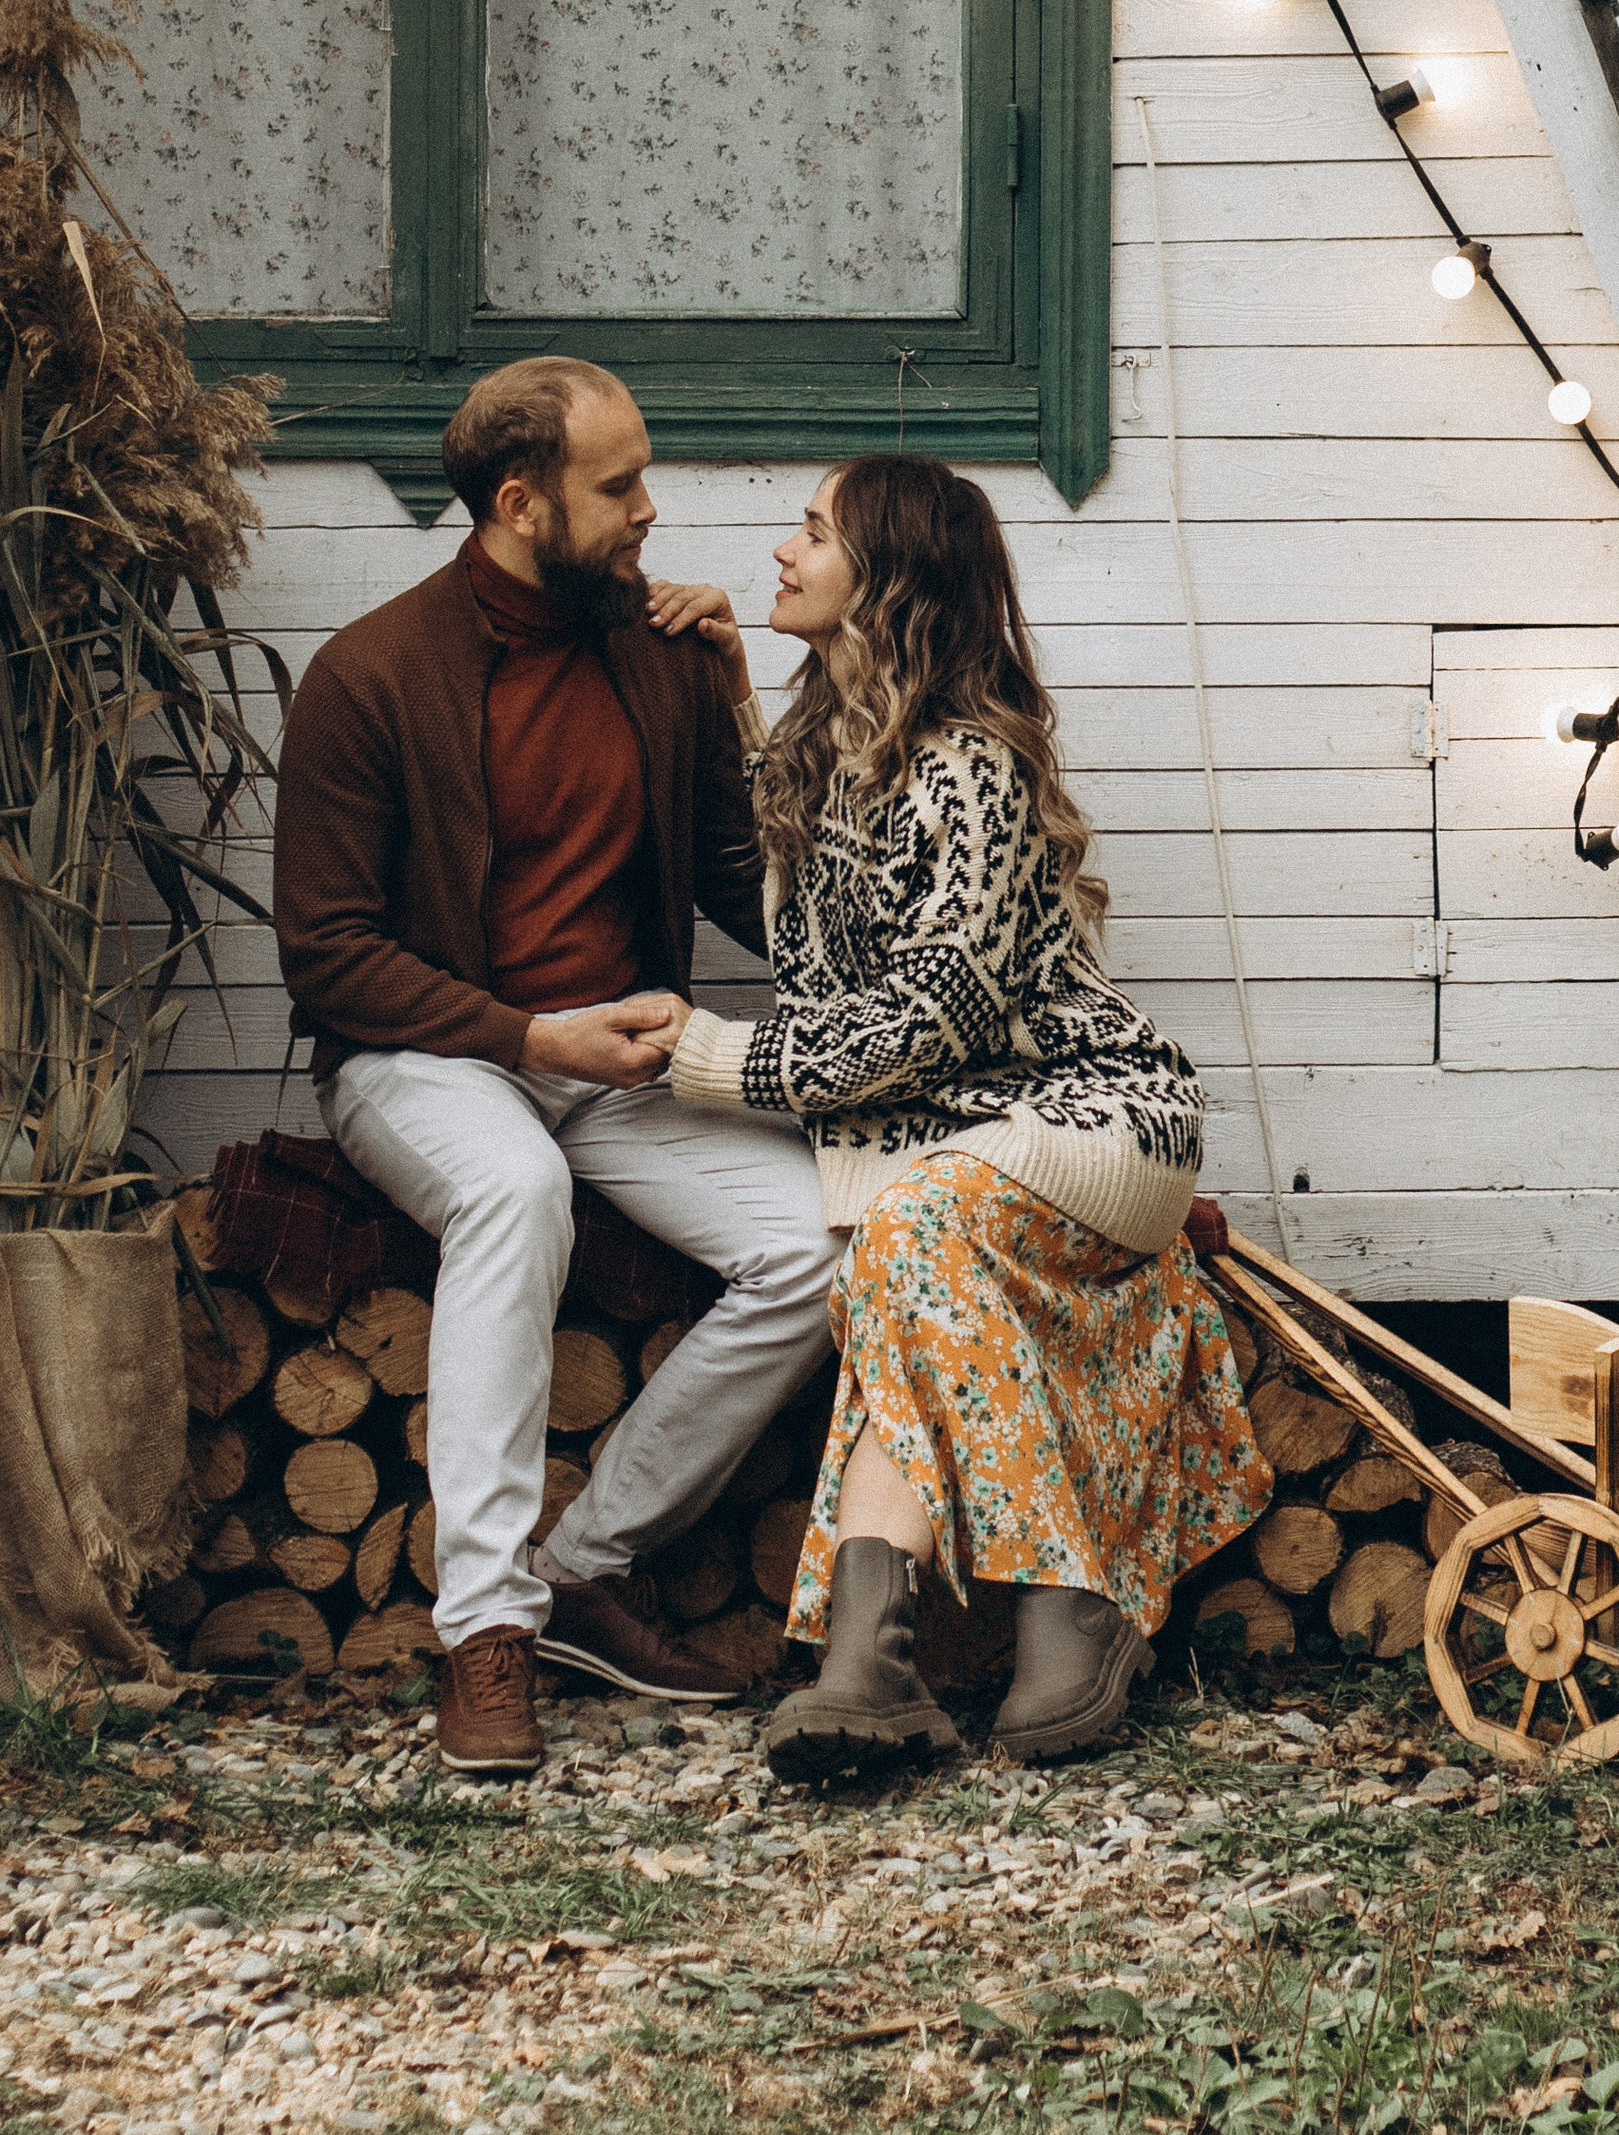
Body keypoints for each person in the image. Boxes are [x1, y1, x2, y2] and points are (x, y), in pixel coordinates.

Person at [644, 456, 1272, 1781]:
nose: (781, 551)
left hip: (1094, 1118)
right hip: (949, 1144)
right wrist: (734, 686)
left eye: (814, 532)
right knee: (904, 1285)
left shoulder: (970, 768)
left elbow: (933, 1015)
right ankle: (873, 1670)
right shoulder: (842, 755)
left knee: (905, 1229)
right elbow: (794, 909)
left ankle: (1058, 1601)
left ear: (888, 580)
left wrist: (713, 1058)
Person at [272, 358, 841, 1780]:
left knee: (821, 1249)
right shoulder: (368, 675)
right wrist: (526, 1037)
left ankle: (585, 1565)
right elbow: (326, 957)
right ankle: (485, 1631)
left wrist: (747, 693)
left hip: (618, 1057)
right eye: (619, 484)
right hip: (426, 1056)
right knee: (513, 1190)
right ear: (521, 503)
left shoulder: (662, 653)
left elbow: (748, 886)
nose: (651, 509)